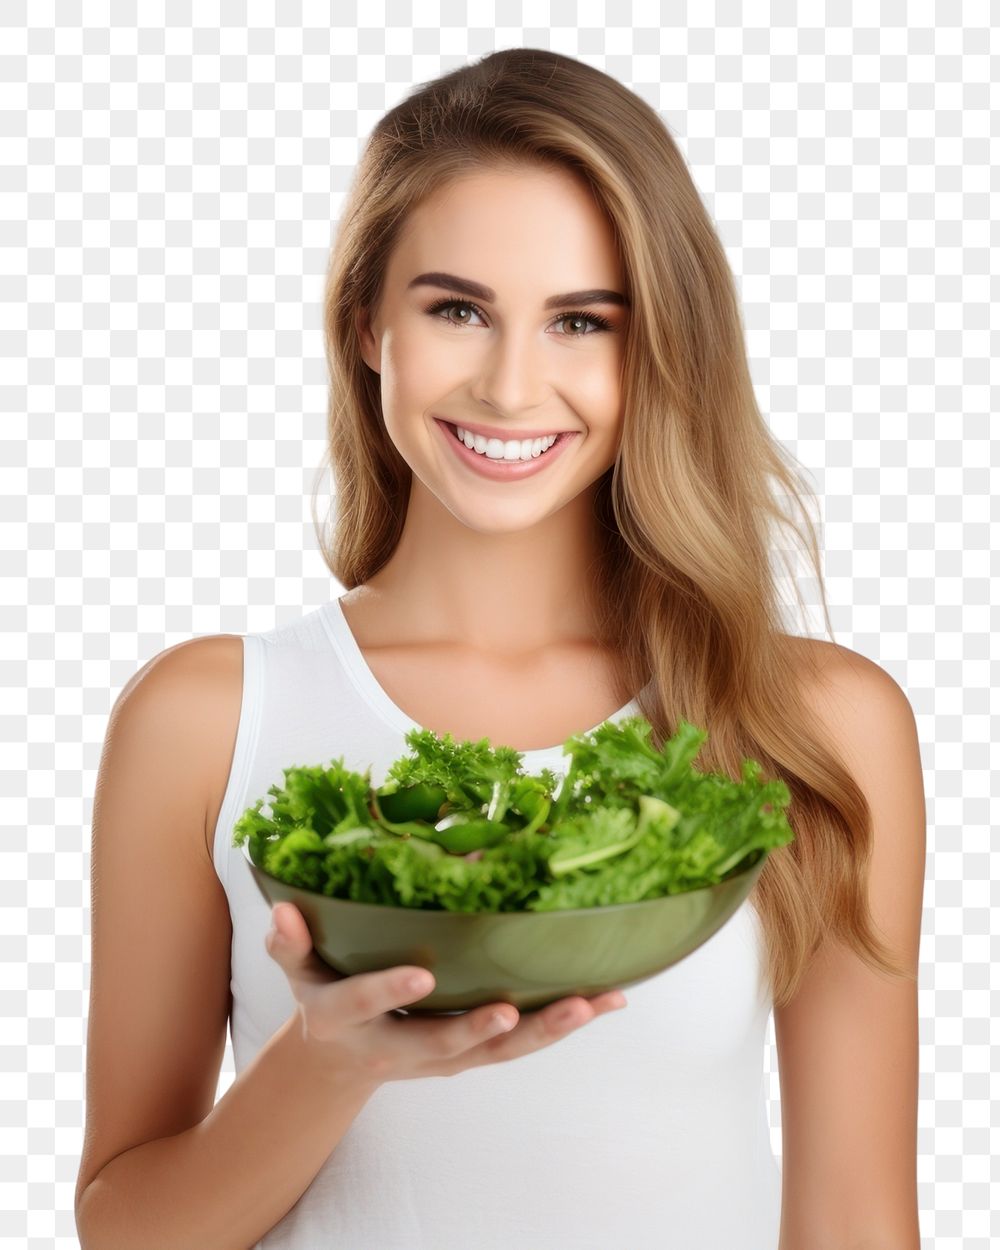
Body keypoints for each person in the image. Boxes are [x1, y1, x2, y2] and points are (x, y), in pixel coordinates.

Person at [74, 48, 925, 1249]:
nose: (513, 384)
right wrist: (325, 1064)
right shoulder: (208, 716)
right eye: (457, 308)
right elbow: (122, 1227)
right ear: (368, 323)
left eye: (581, 321)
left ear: (658, 351)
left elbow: (854, 1219)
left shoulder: (811, 722)